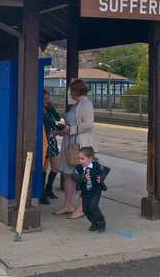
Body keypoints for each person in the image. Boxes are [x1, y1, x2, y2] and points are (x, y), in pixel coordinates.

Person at [53, 79, 98, 218]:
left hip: (80, 145)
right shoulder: (77, 104)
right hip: (71, 144)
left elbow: (88, 124)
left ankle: (80, 208)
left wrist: (70, 130)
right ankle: (68, 205)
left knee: (83, 176)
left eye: (71, 90)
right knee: (68, 174)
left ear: (76, 90)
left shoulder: (86, 104)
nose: (69, 92)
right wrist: (61, 131)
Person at [72, 146, 109, 232]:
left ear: (90, 159)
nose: (80, 161)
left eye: (82, 159)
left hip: (95, 191)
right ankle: (94, 223)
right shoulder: (78, 168)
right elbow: (74, 177)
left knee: (93, 207)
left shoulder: (96, 166)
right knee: (85, 210)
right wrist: (82, 177)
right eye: (79, 159)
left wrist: (101, 177)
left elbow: (104, 171)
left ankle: (101, 222)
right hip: (85, 192)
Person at [40, 89, 62, 205]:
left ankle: (49, 188)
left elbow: (58, 118)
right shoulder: (39, 111)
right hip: (44, 141)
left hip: (52, 141)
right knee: (43, 168)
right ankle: (42, 192)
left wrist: (51, 107)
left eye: (48, 99)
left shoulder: (48, 110)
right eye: (45, 99)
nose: (47, 101)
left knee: (55, 167)